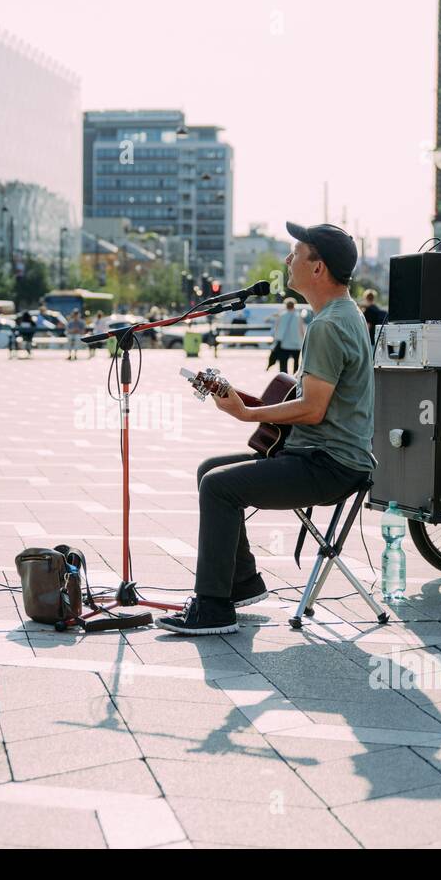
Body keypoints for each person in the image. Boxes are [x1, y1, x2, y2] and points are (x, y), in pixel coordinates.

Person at [158, 222, 375, 635]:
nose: (287, 260)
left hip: (328, 465)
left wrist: (245, 415)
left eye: (296, 253)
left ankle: (213, 608)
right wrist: (245, 403)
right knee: (210, 471)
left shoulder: (329, 325)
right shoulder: (346, 315)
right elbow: (316, 404)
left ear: (318, 269)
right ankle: (242, 584)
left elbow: (312, 410)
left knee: (219, 487)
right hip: (321, 455)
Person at [269, 298, 306, 374]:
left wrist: (275, 339)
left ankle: (284, 379)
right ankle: (295, 380)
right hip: (296, 343)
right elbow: (301, 330)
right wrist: (302, 341)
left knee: (283, 364)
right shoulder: (298, 315)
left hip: (284, 344)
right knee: (296, 363)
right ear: (294, 305)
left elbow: (276, 329)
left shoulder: (281, 315)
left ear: (286, 305)